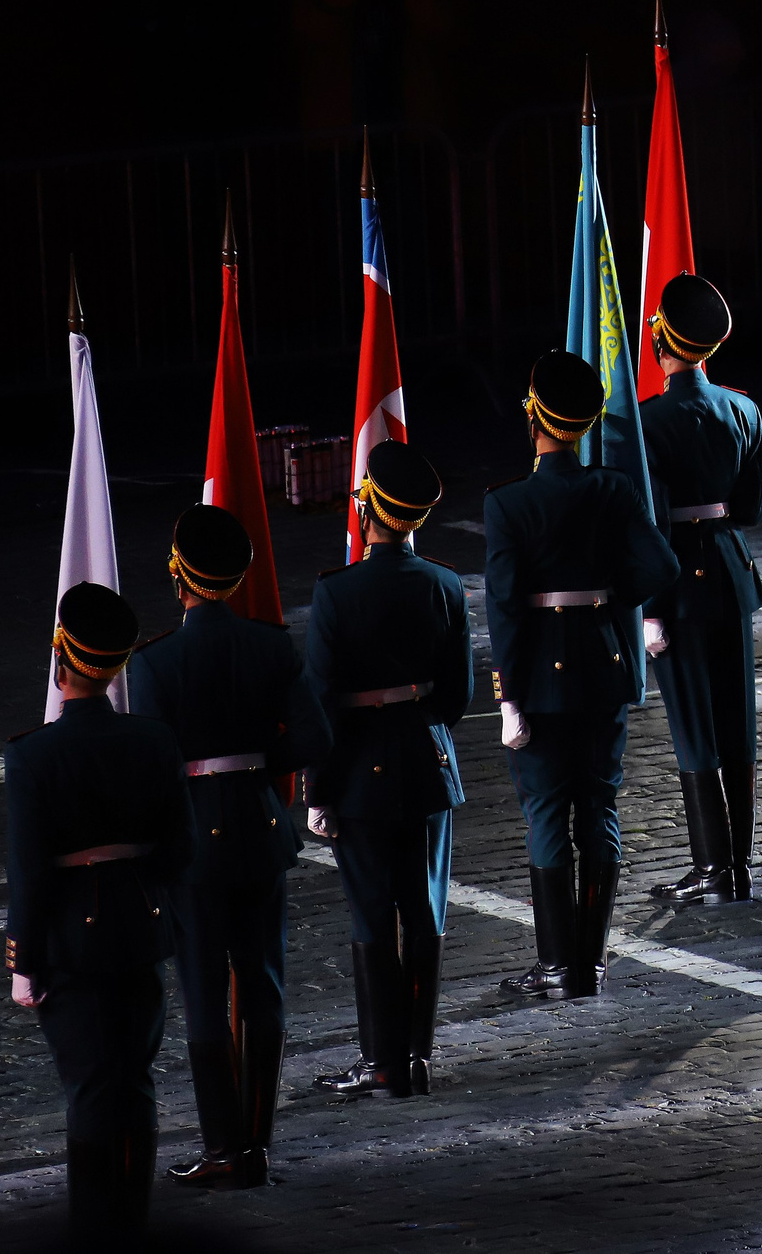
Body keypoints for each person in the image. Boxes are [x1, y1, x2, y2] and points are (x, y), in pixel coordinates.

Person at [125, 504, 329, 1187]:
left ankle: (224, 1146)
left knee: (205, 993)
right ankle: (259, 1137)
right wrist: (252, 761)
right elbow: (312, 737)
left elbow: (151, 767)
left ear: (178, 573)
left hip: (194, 841)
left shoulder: (155, 661)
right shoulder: (269, 643)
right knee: (264, 982)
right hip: (260, 825)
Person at [484, 351, 676, 1000]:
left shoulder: (508, 503)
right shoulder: (614, 488)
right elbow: (660, 566)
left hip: (540, 676)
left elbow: (507, 609)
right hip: (602, 665)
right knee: (598, 804)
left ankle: (556, 964)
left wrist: (508, 694)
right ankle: (590, 963)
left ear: (533, 415)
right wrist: (610, 595)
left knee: (545, 810)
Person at [6, 582, 193, 1240]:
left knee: (89, 1086)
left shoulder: (33, 755)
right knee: (134, 1081)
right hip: (140, 929)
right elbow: (178, 850)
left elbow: (30, 873)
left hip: (70, 942)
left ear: (62, 653)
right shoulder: (154, 741)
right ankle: (131, 1220)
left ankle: (96, 1227)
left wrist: (24, 959)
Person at [304, 439, 472, 1099]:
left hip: (361, 773)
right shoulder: (446, 584)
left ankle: (380, 1060)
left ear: (367, 508)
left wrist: (318, 789)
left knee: (373, 916)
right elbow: (455, 699)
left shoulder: (337, 593)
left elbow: (322, 702)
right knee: (423, 914)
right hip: (429, 766)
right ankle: (418, 1057)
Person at [639, 273, 762, 898]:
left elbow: (650, 522)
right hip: (729, 569)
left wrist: (652, 607)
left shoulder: (645, 424)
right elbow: (749, 509)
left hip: (679, 584)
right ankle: (739, 860)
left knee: (695, 723)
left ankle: (713, 866)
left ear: (662, 340)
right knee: (735, 718)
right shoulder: (742, 408)